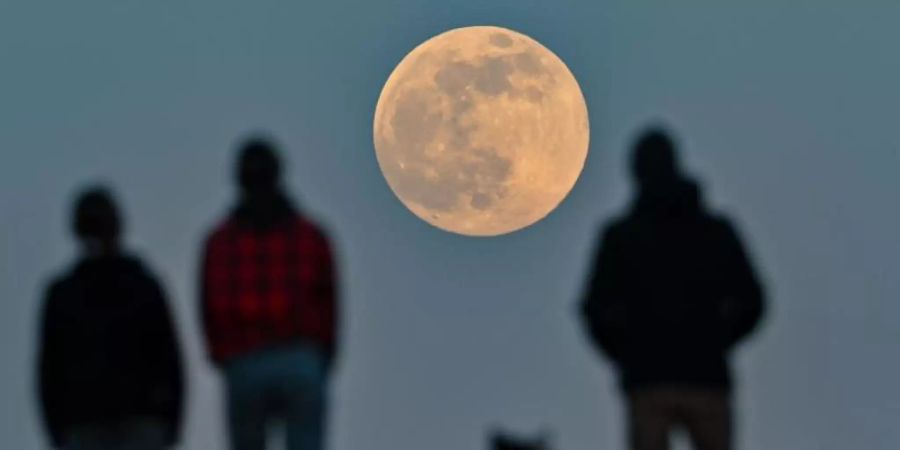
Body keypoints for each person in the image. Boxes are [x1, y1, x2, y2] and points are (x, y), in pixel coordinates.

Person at [579, 126, 766, 450]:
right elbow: (753, 300)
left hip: (656, 378)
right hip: (698, 375)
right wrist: (717, 340)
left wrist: (627, 352)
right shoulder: (714, 232)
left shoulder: (622, 236)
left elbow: (594, 309)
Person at [200, 136, 339, 450]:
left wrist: (223, 355)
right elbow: (329, 302)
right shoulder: (310, 236)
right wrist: (321, 355)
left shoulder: (221, 242)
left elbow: (209, 305)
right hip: (297, 358)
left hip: (247, 359)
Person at [36, 186, 184, 450]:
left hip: (102, 422)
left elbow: (48, 371)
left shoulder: (63, 294)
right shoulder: (143, 285)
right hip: (126, 421)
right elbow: (171, 359)